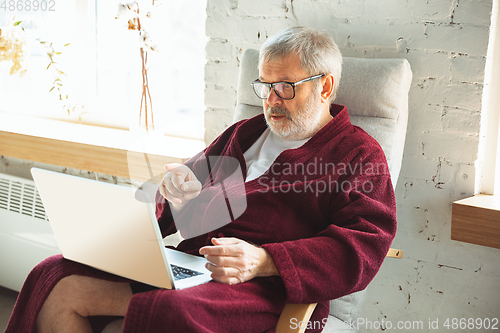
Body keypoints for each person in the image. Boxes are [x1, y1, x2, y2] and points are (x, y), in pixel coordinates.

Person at [6, 26, 396, 333]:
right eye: (264, 86)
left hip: (263, 288)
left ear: (324, 86)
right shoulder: (242, 133)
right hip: (189, 268)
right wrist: (174, 194)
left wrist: (265, 260)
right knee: (54, 276)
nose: (271, 100)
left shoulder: (359, 156)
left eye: (285, 88)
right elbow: (171, 204)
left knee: (169, 312)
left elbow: (366, 245)